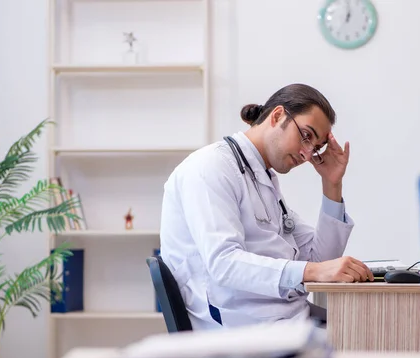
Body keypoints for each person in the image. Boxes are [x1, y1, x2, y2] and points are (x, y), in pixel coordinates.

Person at [160, 83, 373, 330]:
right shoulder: (210, 167)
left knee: (368, 329)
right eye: (306, 136)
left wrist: (332, 183)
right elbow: (223, 263)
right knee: (367, 340)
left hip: (281, 317)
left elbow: (322, 261)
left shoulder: (263, 179)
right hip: (240, 327)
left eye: (315, 148)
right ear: (277, 115)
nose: (307, 154)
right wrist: (309, 272)